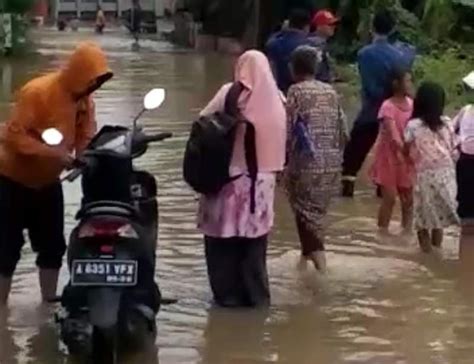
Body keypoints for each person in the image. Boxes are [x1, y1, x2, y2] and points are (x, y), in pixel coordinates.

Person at [0, 42, 113, 306]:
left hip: (48, 183)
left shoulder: (85, 102)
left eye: (98, 82)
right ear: (78, 72)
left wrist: (85, 156)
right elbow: (15, 136)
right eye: (91, 79)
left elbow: (86, 134)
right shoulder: (37, 92)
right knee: (5, 249)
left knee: (52, 246)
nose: (93, 86)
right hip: (10, 179)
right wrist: (56, 155)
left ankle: (48, 302)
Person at [198, 50, 286, 307]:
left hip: (227, 182)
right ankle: (257, 302)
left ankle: (226, 300)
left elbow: (203, 122)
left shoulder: (229, 93)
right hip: (262, 185)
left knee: (220, 247)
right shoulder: (279, 99)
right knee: (254, 249)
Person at [285, 46, 347, 273]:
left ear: (293, 68)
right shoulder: (330, 92)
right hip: (331, 161)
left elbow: (288, 129)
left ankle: (321, 265)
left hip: (305, 163)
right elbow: (343, 129)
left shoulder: (295, 92)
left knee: (303, 212)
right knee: (315, 213)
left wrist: (282, 162)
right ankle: (304, 260)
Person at [342, 10, 412, 197]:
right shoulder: (402, 54)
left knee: (355, 148)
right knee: (391, 149)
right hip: (395, 109)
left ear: (373, 27)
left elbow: (367, 83)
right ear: (393, 28)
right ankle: (384, 189)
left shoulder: (364, 54)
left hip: (371, 109)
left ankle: (348, 183)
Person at [404, 82, 459, 253]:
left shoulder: (413, 125)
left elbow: (406, 147)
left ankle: (428, 256)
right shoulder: (447, 122)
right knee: (439, 217)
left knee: (423, 219)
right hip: (448, 173)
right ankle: (437, 250)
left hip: (425, 176)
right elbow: (453, 146)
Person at [371, 67, 414, 234]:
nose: (410, 84)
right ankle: (382, 233)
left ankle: (407, 232)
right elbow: (393, 133)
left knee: (408, 199)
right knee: (389, 198)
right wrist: (404, 149)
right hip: (389, 157)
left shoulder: (412, 104)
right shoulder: (387, 106)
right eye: (407, 80)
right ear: (396, 84)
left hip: (407, 156)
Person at [265, 9, 313, 93]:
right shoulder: (309, 45)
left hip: (278, 90)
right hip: (303, 91)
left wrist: (282, 31)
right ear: (306, 27)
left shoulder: (274, 43)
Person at [453, 73, 474, 222]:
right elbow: (449, 129)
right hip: (465, 163)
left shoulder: (466, 110)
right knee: (466, 217)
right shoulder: (465, 110)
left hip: (466, 162)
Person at [309, 9, 339, 83]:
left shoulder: (323, 42)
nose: (333, 27)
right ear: (319, 26)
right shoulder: (314, 44)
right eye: (329, 24)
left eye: (334, 24)